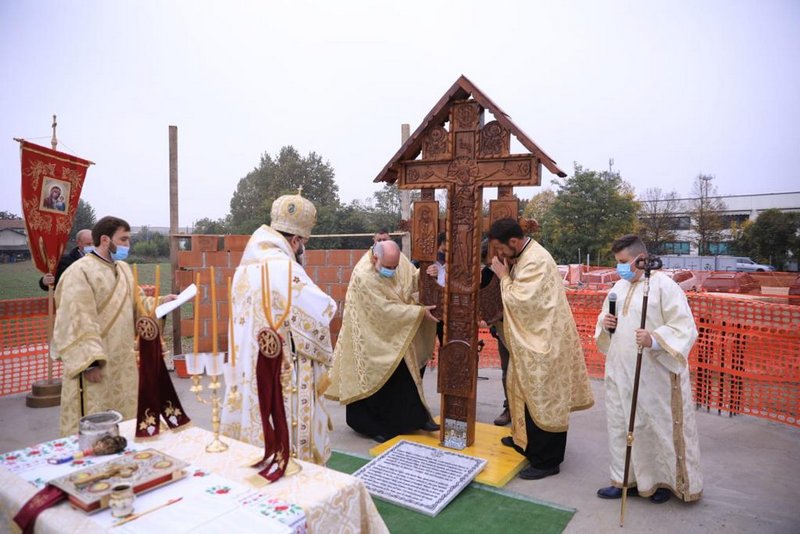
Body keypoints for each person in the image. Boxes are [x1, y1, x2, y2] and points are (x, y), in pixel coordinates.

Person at [221, 190, 338, 465]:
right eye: (303, 243)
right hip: (282, 365)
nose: (302, 249)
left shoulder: (245, 265)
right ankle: (290, 460)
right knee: (282, 414)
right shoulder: (283, 266)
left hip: (248, 362)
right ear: (295, 240)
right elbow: (321, 310)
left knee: (254, 413)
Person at [595, 234, 702, 504]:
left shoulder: (665, 286)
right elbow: (606, 325)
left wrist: (654, 339)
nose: (618, 267)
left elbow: (684, 327)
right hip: (620, 371)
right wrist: (605, 324)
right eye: (616, 262)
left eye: (622, 261)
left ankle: (660, 482)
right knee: (621, 425)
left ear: (640, 259)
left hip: (653, 375)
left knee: (654, 426)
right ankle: (624, 480)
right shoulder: (617, 288)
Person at [489, 218, 594, 480]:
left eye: (501, 249)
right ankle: (525, 442)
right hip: (532, 341)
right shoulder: (524, 256)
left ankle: (547, 460)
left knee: (544, 398)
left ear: (513, 242)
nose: (499, 255)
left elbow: (521, 300)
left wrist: (503, 277)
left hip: (545, 344)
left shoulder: (536, 260)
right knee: (524, 392)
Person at [51, 216, 175, 436]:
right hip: (95, 364)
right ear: (106, 240)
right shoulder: (79, 272)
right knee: (96, 428)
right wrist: (90, 363)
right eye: (124, 239)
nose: (128, 245)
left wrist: (162, 302)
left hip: (123, 363)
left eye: (129, 239)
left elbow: (139, 307)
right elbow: (76, 319)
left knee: (127, 424)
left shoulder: (125, 269)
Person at [326, 239, 440, 443]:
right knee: (377, 380)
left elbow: (410, 281)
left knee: (406, 377)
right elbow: (383, 310)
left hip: (396, 331)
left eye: (395, 266)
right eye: (388, 268)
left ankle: (415, 419)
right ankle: (372, 427)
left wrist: (425, 274)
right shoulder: (364, 275)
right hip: (370, 336)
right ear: (375, 257)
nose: (393, 271)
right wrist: (419, 312)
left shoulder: (399, 261)